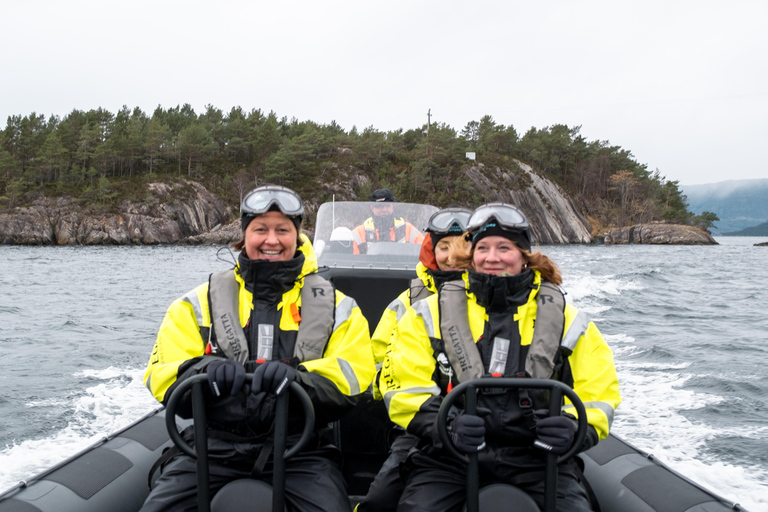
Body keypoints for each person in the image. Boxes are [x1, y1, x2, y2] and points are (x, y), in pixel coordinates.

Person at [141, 184, 375, 512]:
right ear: (244, 234)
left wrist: (299, 379)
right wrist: (202, 372)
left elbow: (355, 376)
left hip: (300, 452)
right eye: (260, 229)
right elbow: (161, 374)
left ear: (297, 236)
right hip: (213, 447)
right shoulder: (195, 303)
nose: (271, 240)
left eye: (282, 230)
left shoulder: (339, 307)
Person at [380, 203, 621, 512]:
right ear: (471, 255)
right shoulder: (428, 313)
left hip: (537, 458)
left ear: (524, 255)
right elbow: (402, 385)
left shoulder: (567, 319)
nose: (492, 257)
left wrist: (575, 428)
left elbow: (599, 393)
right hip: (450, 456)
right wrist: (447, 426)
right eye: (483, 248)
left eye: (504, 247)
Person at [357, 207, 472, 512]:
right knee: (380, 499)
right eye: (443, 247)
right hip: (420, 426)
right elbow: (378, 360)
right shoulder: (408, 303)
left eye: (462, 245)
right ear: (431, 250)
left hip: (488, 426)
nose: (451, 255)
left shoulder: (498, 304)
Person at [352, 189, 424, 254]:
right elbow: (351, 260)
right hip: (367, 268)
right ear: (372, 208)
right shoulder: (359, 233)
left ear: (393, 207)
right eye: (379, 206)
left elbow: (425, 250)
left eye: (387, 206)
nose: (384, 210)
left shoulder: (408, 229)